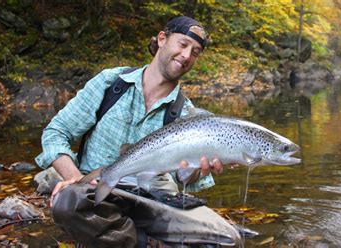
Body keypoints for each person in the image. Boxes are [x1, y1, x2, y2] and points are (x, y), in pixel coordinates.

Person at [35, 16, 240, 247]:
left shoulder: (187, 114)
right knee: (68, 200)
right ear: (162, 39)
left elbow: (184, 179)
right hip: (99, 194)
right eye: (182, 45)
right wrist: (73, 176)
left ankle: (122, 239)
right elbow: (55, 132)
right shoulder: (111, 83)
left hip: (156, 203)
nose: (186, 56)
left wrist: (198, 168)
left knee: (228, 239)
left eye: (195, 52)